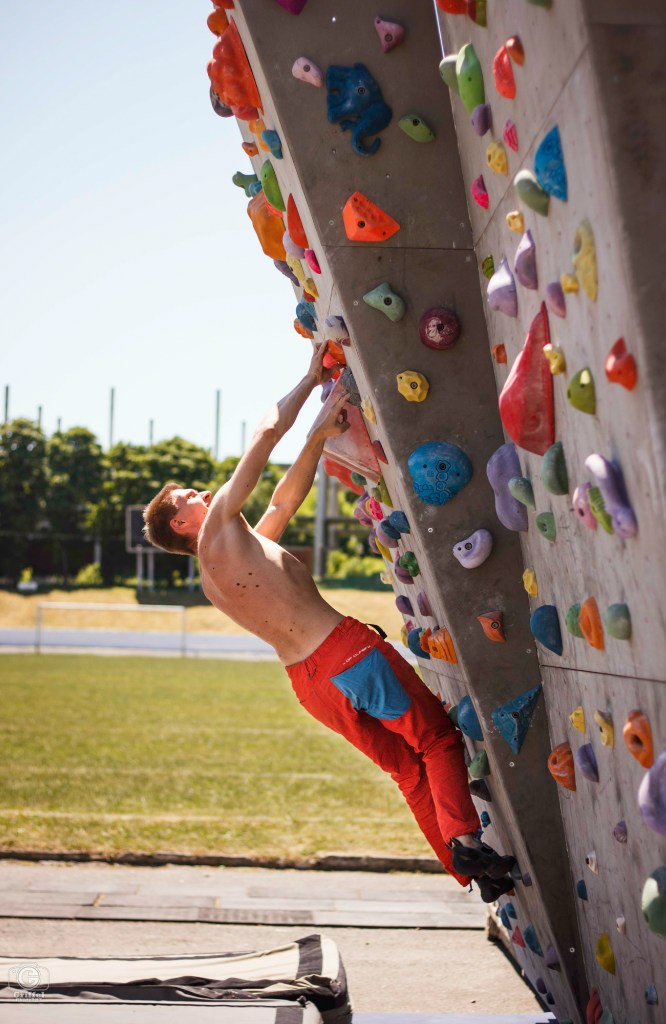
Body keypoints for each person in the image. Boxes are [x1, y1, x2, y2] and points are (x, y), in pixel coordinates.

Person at [144, 342, 515, 900]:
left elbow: (281, 506)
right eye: (187, 497)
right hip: (347, 656)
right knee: (437, 740)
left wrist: (319, 439)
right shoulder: (218, 524)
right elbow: (265, 435)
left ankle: (469, 873)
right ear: (180, 522)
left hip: (311, 684)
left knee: (408, 772)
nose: (200, 492)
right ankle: (464, 840)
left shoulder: (221, 570)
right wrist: (309, 380)